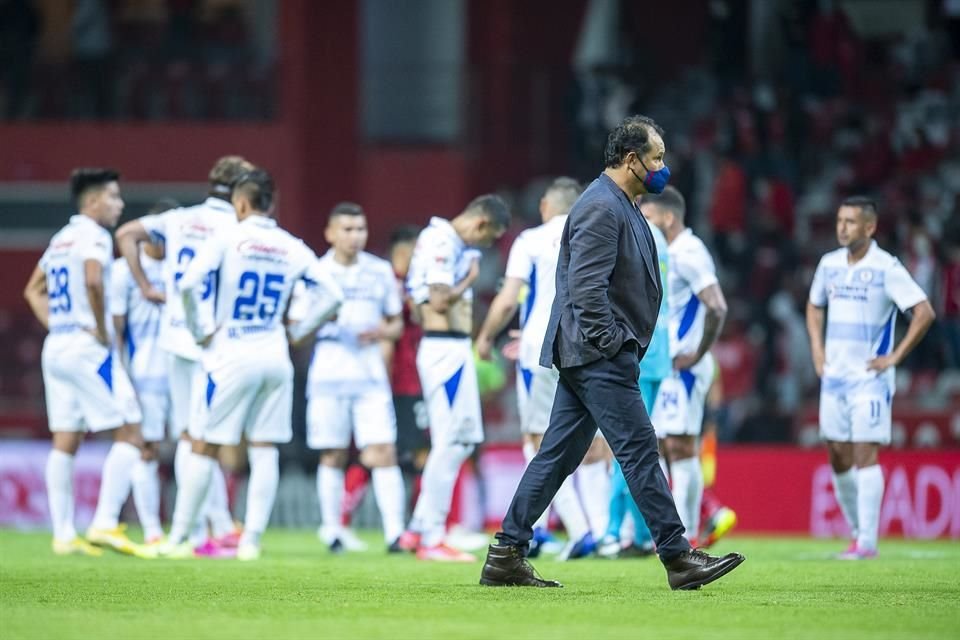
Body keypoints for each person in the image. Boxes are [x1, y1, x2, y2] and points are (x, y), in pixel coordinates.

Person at [480, 115, 744, 590]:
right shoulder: (602, 207)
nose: (663, 166)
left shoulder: (621, 203)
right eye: (656, 157)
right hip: (598, 355)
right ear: (631, 160)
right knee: (641, 450)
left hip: (590, 353)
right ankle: (678, 556)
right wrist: (615, 346)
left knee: (557, 455)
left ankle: (505, 552)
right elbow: (585, 289)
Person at [160, 169, 343, 561]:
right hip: (275, 354)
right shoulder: (290, 245)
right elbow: (332, 293)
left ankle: (177, 539)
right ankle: (251, 542)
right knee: (264, 448)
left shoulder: (228, 237)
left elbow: (189, 283)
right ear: (270, 204)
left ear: (240, 203)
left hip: (231, 351)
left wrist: (200, 329)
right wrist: (299, 332)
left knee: (204, 443)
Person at [115, 156, 252, 555]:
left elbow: (125, 234)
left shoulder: (178, 219)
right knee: (203, 437)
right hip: (215, 340)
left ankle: (206, 529)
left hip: (175, 338)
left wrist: (144, 285)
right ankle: (205, 530)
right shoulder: (238, 227)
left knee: (189, 435)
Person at [22, 168, 149, 558]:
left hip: (58, 346)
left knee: (66, 441)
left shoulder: (61, 239)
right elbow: (94, 281)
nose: (120, 204)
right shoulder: (94, 236)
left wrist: (59, 325)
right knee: (131, 432)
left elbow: (32, 290)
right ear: (93, 202)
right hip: (87, 348)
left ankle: (63, 534)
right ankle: (105, 523)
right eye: (114, 197)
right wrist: (96, 328)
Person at [475, 177, 599, 560]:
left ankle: (578, 530)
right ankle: (569, 529)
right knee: (586, 441)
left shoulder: (529, 241)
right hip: (585, 346)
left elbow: (509, 297)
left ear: (546, 204)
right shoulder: (593, 233)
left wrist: (484, 337)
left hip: (540, 349)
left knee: (537, 442)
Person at [806, 196, 934, 559]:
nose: (842, 227)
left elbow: (923, 312)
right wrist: (817, 349)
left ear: (869, 227)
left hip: (869, 380)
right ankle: (859, 532)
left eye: (850, 221)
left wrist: (893, 357)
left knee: (865, 452)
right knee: (836, 453)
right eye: (839, 220)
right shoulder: (829, 265)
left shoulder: (886, 267)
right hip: (834, 378)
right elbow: (814, 305)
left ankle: (867, 543)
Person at [397, 194, 511, 562]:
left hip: (449, 349)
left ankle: (418, 528)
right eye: (490, 236)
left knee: (459, 440)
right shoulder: (441, 243)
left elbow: (417, 308)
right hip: (444, 350)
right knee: (452, 439)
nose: (487, 244)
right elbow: (439, 301)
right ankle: (432, 535)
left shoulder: (444, 242)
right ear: (479, 223)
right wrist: (468, 280)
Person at [295, 202, 406, 553]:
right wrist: (320, 321)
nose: (355, 236)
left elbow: (397, 322)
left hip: (370, 375)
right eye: (347, 229)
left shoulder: (379, 271)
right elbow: (297, 328)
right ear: (330, 233)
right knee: (333, 453)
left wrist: (380, 332)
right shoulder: (314, 272)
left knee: (384, 451)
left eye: (360, 229)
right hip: (328, 374)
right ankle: (333, 531)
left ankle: (395, 533)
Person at [641, 186, 728, 544]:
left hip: (685, 368)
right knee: (661, 445)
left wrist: (699, 352)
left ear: (668, 217)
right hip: (667, 365)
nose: (643, 225)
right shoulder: (666, 252)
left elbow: (717, 305)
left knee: (680, 445)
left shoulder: (690, 252)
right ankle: (674, 531)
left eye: (648, 218)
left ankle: (688, 534)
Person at [596, 196, 671, 559]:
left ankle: (615, 530)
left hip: (633, 350)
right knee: (641, 443)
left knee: (624, 446)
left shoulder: (627, 228)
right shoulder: (657, 235)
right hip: (657, 351)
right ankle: (642, 533)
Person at [110, 199, 179, 545]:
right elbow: (117, 330)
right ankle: (152, 529)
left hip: (183, 371)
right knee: (146, 448)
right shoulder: (123, 272)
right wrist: (121, 376)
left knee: (196, 445)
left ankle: (197, 529)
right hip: (145, 374)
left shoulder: (183, 269)